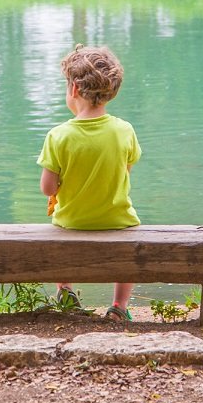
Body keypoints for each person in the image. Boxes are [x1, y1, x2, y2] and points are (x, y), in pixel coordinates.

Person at [38, 45, 141, 322]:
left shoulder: (58, 136)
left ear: (73, 89)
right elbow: (126, 171)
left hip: (72, 221)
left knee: (56, 233)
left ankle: (66, 292)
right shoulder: (124, 130)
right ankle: (119, 306)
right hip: (118, 220)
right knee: (131, 241)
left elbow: (48, 188)